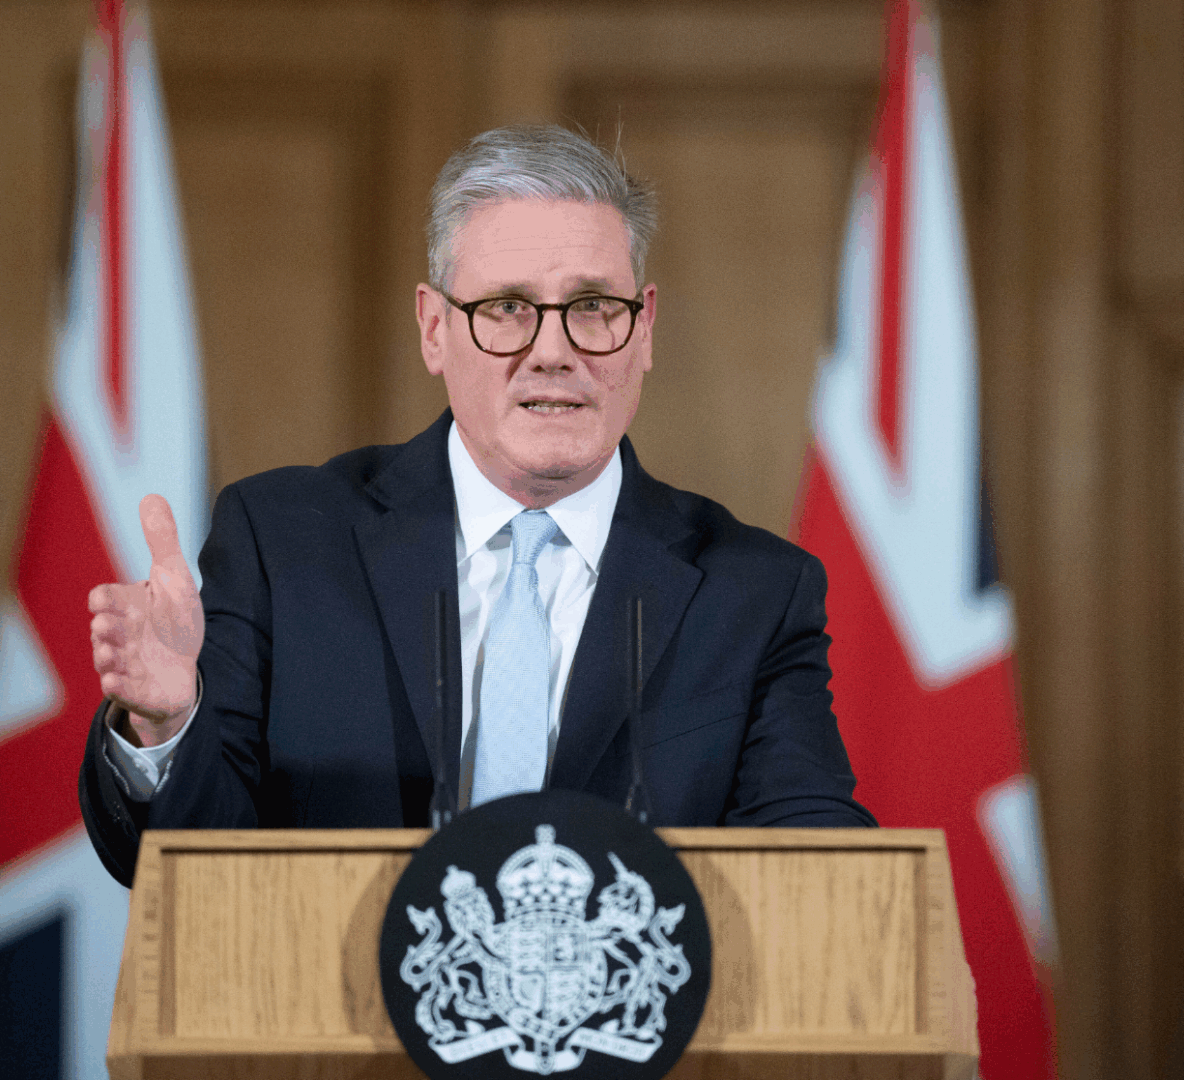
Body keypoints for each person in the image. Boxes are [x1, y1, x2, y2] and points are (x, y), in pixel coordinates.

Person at [80, 125, 874, 886]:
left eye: (594, 306)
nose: (554, 351)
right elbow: (188, 865)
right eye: (508, 308)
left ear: (645, 330)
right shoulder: (285, 544)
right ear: (434, 328)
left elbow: (818, 871)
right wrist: (167, 724)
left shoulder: (753, 593)